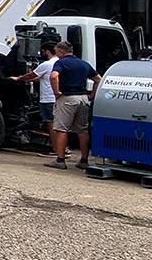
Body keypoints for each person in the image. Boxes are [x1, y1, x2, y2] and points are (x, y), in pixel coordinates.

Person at [45, 41, 102, 170]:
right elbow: (98, 79)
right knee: (82, 130)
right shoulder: (84, 64)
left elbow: (54, 76)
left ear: (61, 51)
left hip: (67, 98)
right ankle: (84, 160)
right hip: (83, 99)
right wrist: (92, 95)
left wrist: (56, 92)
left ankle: (60, 160)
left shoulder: (61, 63)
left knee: (61, 129)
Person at [10, 42, 58, 136]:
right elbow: (42, 77)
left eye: (43, 52)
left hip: (48, 98)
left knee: (51, 123)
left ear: (47, 52)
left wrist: (19, 78)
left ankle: (56, 148)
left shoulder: (47, 64)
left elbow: (31, 74)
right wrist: (30, 80)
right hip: (58, 98)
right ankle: (64, 147)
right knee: (59, 124)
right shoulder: (59, 63)